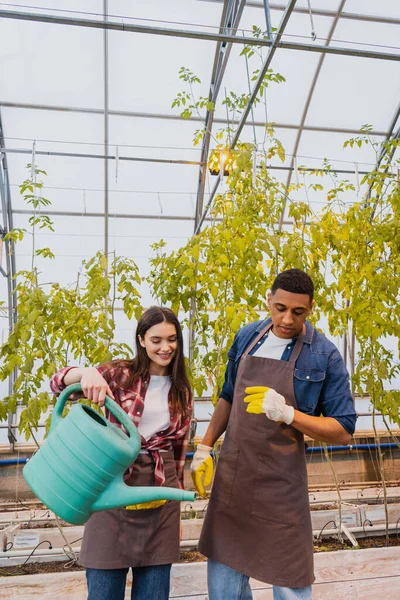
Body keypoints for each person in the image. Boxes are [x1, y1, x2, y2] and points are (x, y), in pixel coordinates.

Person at [191, 269, 357, 600]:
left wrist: (289, 414)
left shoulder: (322, 354)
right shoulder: (247, 337)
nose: (286, 319)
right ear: (269, 299)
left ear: (311, 308)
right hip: (235, 477)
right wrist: (204, 447)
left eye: (298, 312)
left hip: (281, 485)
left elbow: (344, 429)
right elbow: (227, 395)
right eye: (280, 308)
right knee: (224, 590)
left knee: (290, 581)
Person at [50, 306, 192, 600]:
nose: (166, 348)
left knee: (154, 593)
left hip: (159, 490)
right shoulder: (119, 374)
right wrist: (86, 373)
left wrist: (177, 512)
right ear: (141, 340)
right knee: (103, 591)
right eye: (156, 340)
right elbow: (57, 382)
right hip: (112, 485)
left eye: (172, 339)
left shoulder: (182, 389)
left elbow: (179, 451)